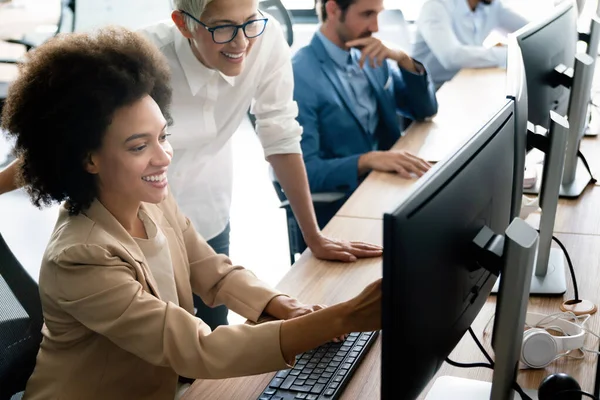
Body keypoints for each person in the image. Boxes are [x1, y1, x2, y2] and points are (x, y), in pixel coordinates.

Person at [1, 27, 382, 400]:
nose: (164, 156)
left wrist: (278, 305)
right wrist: (345, 317)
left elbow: (210, 270)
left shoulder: (152, 201)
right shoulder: (81, 257)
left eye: (163, 136)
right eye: (139, 147)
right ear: (88, 159)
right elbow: (199, 349)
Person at [292, 0, 438, 227]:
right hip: (346, 203)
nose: (375, 27)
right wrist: (368, 160)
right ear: (333, 10)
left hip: (389, 185)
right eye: (367, 14)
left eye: (378, 14)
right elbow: (305, 172)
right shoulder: (299, 75)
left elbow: (424, 110)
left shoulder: (370, 54)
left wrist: (402, 58)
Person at [411, 0, 529, 89]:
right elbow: (452, 57)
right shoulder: (436, 6)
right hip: (431, 93)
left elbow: (531, 32)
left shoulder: (492, 6)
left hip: (463, 84)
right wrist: (509, 54)